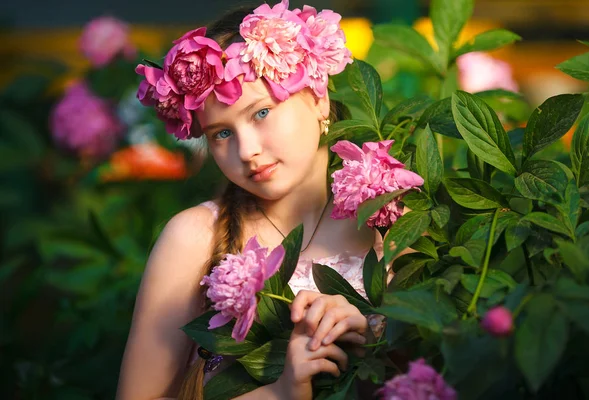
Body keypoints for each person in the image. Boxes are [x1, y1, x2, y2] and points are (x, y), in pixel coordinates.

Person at [116, 1, 386, 399]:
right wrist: (279, 393)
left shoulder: (390, 213)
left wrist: (379, 337)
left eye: (261, 113)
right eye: (221, 134)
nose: (246, 151)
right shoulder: (194, 237)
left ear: (318, 98)